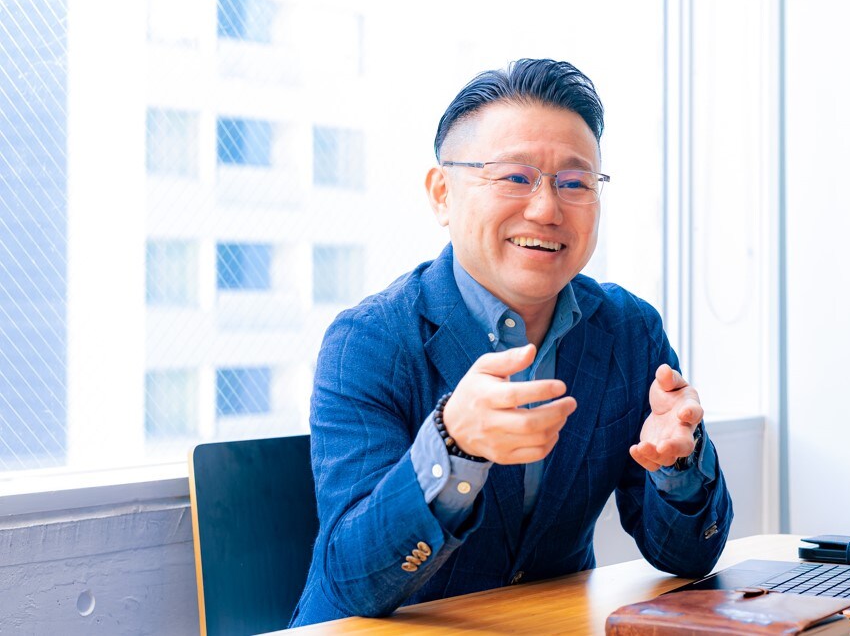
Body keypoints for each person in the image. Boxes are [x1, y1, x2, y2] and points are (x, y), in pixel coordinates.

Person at [290, 58, 733, 626]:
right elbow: (354, 582)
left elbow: (688, 558)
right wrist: (453, 446)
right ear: (442, 194)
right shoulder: (368, 342)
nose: (546, 209)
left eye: (574, 183)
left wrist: (678, 465)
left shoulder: (628, 330)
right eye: (515, 178)